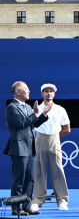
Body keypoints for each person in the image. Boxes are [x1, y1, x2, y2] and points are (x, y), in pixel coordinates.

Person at [4, 81, 50, 216]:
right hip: (19, 148)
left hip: (30, 147)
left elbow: (33, 124)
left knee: (30, 179)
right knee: (19, 179)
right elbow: (21, 124)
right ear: (18, 92)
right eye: (26, 89)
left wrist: (43, 115)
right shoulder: (11, 108)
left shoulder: (28, 108)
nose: (29, 91)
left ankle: (26, 205)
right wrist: (35, 114)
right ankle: (16, 207)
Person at [30, 84, 71, 212]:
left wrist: (55, 138)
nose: (49, 94)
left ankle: (62, 200)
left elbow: (67, 128)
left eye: (51, 92)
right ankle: (37, 200)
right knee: (39, 171)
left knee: (58, 170)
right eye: (46, 91)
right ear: (42, 94)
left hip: (54, 139)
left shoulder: (60, 109)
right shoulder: (36, 109)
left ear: (54, 94)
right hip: (40, 139)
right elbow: (32, 126)